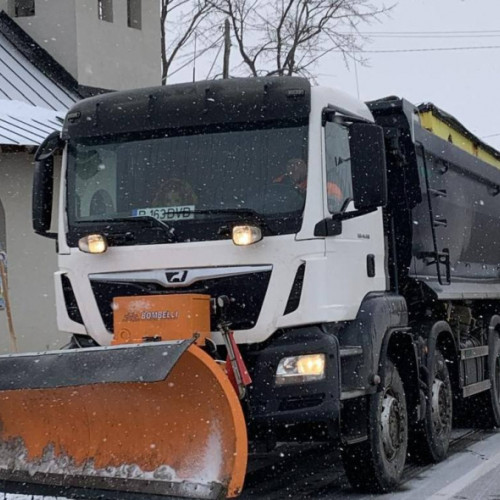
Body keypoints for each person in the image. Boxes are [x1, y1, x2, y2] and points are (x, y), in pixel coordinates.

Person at [274, 158, 343, 202]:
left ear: (306, 166)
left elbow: (334, 205)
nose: (294, 168)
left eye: (298, 164)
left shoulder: (326, 187)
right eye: (290, 165)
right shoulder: (279, 185)